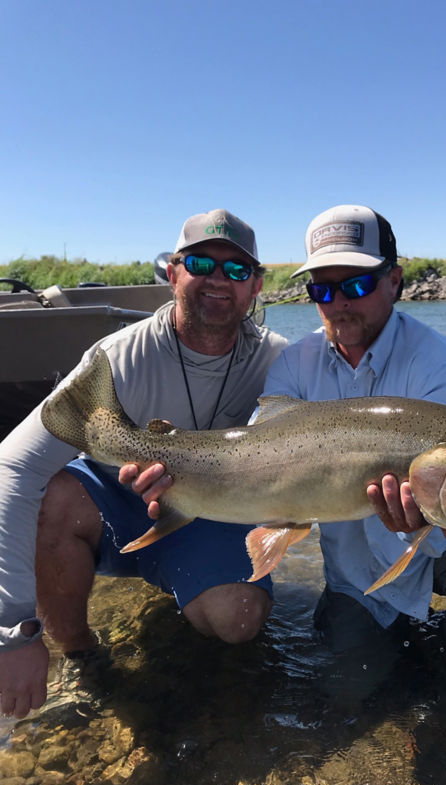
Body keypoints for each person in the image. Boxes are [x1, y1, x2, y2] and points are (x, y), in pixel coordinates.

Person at [0, 209, 288, 719]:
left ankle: (184, 585)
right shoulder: (117, 358)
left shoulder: (279, 363)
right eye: (201, 262)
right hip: (114, 503)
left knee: (238, 620)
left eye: (237, 271)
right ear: (173, 272)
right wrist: (13, 631)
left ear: (257, 287)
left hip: (210, 512)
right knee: (52, 497)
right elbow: (13, 467)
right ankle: (81, 657)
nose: (219, 280)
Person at [261, 204, 446, 659]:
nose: (339, 302)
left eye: (356, 285)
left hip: (438, 548)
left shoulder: (441, 367)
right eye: (321, 289)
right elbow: (266, 473)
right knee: (348, 693)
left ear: (394, 281)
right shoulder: (293, 368)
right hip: (356, 576)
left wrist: (437, 514)